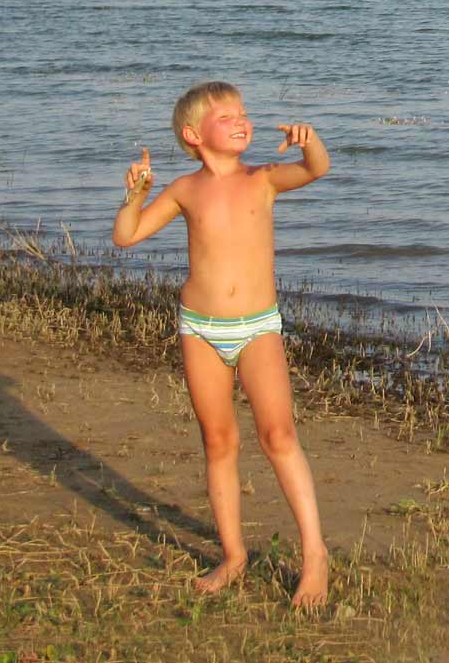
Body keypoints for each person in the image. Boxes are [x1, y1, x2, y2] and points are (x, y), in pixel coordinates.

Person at [112, 80, 333, 608]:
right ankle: (233, 555)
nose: (242, 120)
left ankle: (315, 555)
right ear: (194, 134)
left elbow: (316, 168)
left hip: (257, 325)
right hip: (200, 328)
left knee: (278, 434)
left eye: (244, 112)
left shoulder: (263, 178)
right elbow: (127, 235)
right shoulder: (186, 190)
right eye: (227, 115)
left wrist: (310, 140)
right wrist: (135, 196)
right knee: (218, 442)